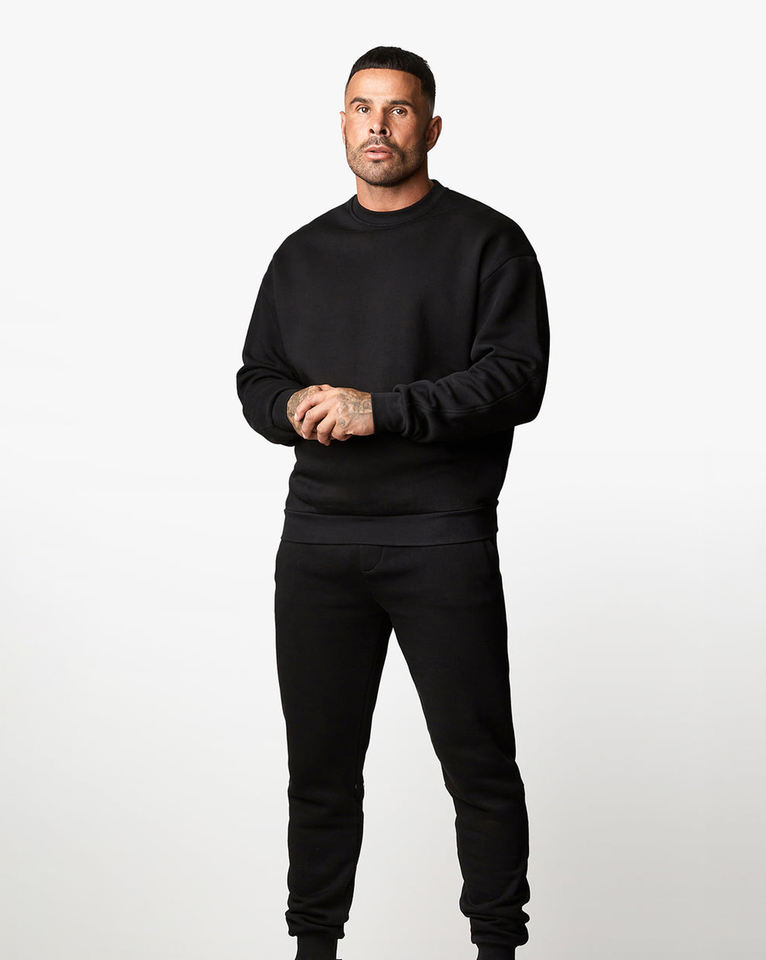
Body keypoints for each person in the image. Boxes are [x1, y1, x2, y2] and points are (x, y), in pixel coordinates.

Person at [236, 44, 549, 960]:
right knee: (319, 774)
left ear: (432, 127)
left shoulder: (488, 242)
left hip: (439, 539)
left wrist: (383, 409)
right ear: (342, 124)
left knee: (478, 766)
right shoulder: (301, 253)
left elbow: (516, 379)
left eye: (399, 109)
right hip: (319, 543)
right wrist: (290, 406)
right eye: (362, 108)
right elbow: (257, 376)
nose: (379, 125)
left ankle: (497, 948)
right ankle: (314, 949)